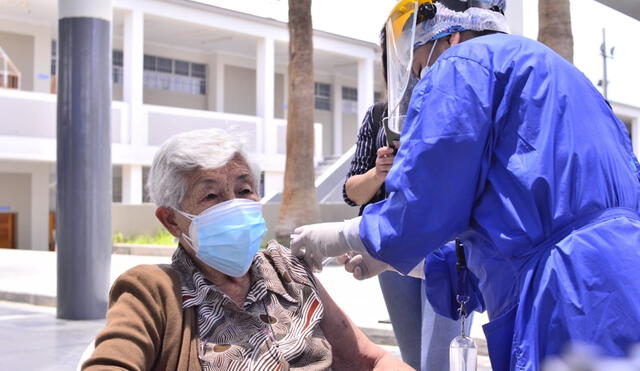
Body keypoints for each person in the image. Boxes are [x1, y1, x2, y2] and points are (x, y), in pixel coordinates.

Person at [291, 0, 640, 370]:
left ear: (450, 36)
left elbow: (428, 197)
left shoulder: (463, 63)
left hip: (568, 299)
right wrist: (410, 264)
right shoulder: (557, 73)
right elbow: (509, 224)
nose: (423, 79)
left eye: (422, 66)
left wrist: (345, 235)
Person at [82, 129, 412, 370]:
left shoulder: (287, 270)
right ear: (171, 221)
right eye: (210, 196)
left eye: (244, 189)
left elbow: (371, 359)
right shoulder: (153, 292)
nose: (235, 206)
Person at [342, 24, 469, 370]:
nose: (412, 62)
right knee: (412, 360)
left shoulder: (460, 108)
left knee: (439, 360)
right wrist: (380, 172)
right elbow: (352, 192)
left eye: (417, 47)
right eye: (399, 50)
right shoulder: (381, 116)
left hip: (446, 250)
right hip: (394, 251)